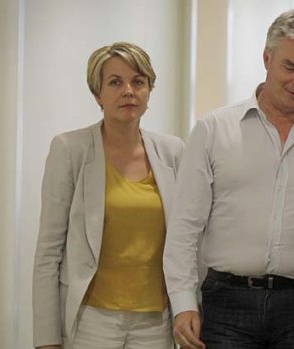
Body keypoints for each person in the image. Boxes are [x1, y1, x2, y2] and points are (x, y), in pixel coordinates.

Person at [163, 7, 294, 349]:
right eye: (290, 67)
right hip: (226, 306)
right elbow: (185, 226)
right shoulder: (214, 129)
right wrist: (183, 304)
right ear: (267, 58)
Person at [32, 42, 184, 349]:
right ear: (98, 95)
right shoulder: (69, 150)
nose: (128, 91)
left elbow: (187, 241)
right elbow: (49, 251)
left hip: (155, 320)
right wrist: (46, 338)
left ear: (149, 91)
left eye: (138, 82)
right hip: (92, 319)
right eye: (115, 82)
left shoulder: (173, 152)